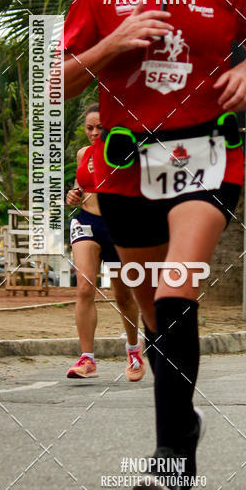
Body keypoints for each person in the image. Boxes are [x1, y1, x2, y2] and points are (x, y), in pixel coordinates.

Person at [61, 0, 246, 490]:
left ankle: (171, 458)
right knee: (155, 313)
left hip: (207, 158)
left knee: (177, 284)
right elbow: (55, 82)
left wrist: (245, 67)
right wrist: (113, 43)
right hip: (127, 167)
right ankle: (185, 422)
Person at [65, 104, 145, 381]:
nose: (94, 132)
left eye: (100, 127)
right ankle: (87, 359)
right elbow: (80, 184)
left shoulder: (126, 151)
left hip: (118, 225)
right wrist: (73, 194)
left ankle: (134, 349)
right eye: (89, 128)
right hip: (87, 222)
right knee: (85, 287)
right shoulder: (82, 154)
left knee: (123, 295)